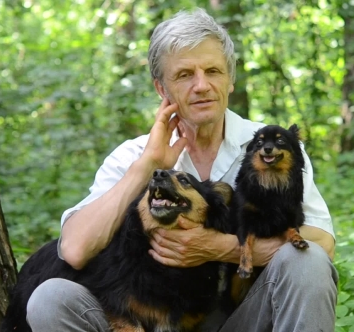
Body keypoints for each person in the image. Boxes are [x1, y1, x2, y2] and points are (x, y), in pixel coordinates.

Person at [26, 8, 338, 332]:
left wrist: (221, 247)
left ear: (230, 80)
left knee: (307, 261)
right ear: (162, 89)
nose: (202, 85)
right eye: (185, 75)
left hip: (242, 320)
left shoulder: (272, 147)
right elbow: (75, 249)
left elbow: (321, 243)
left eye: (213, 71)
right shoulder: (133, 156)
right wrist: (146, 167)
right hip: (147, 316)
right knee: (51, 297)